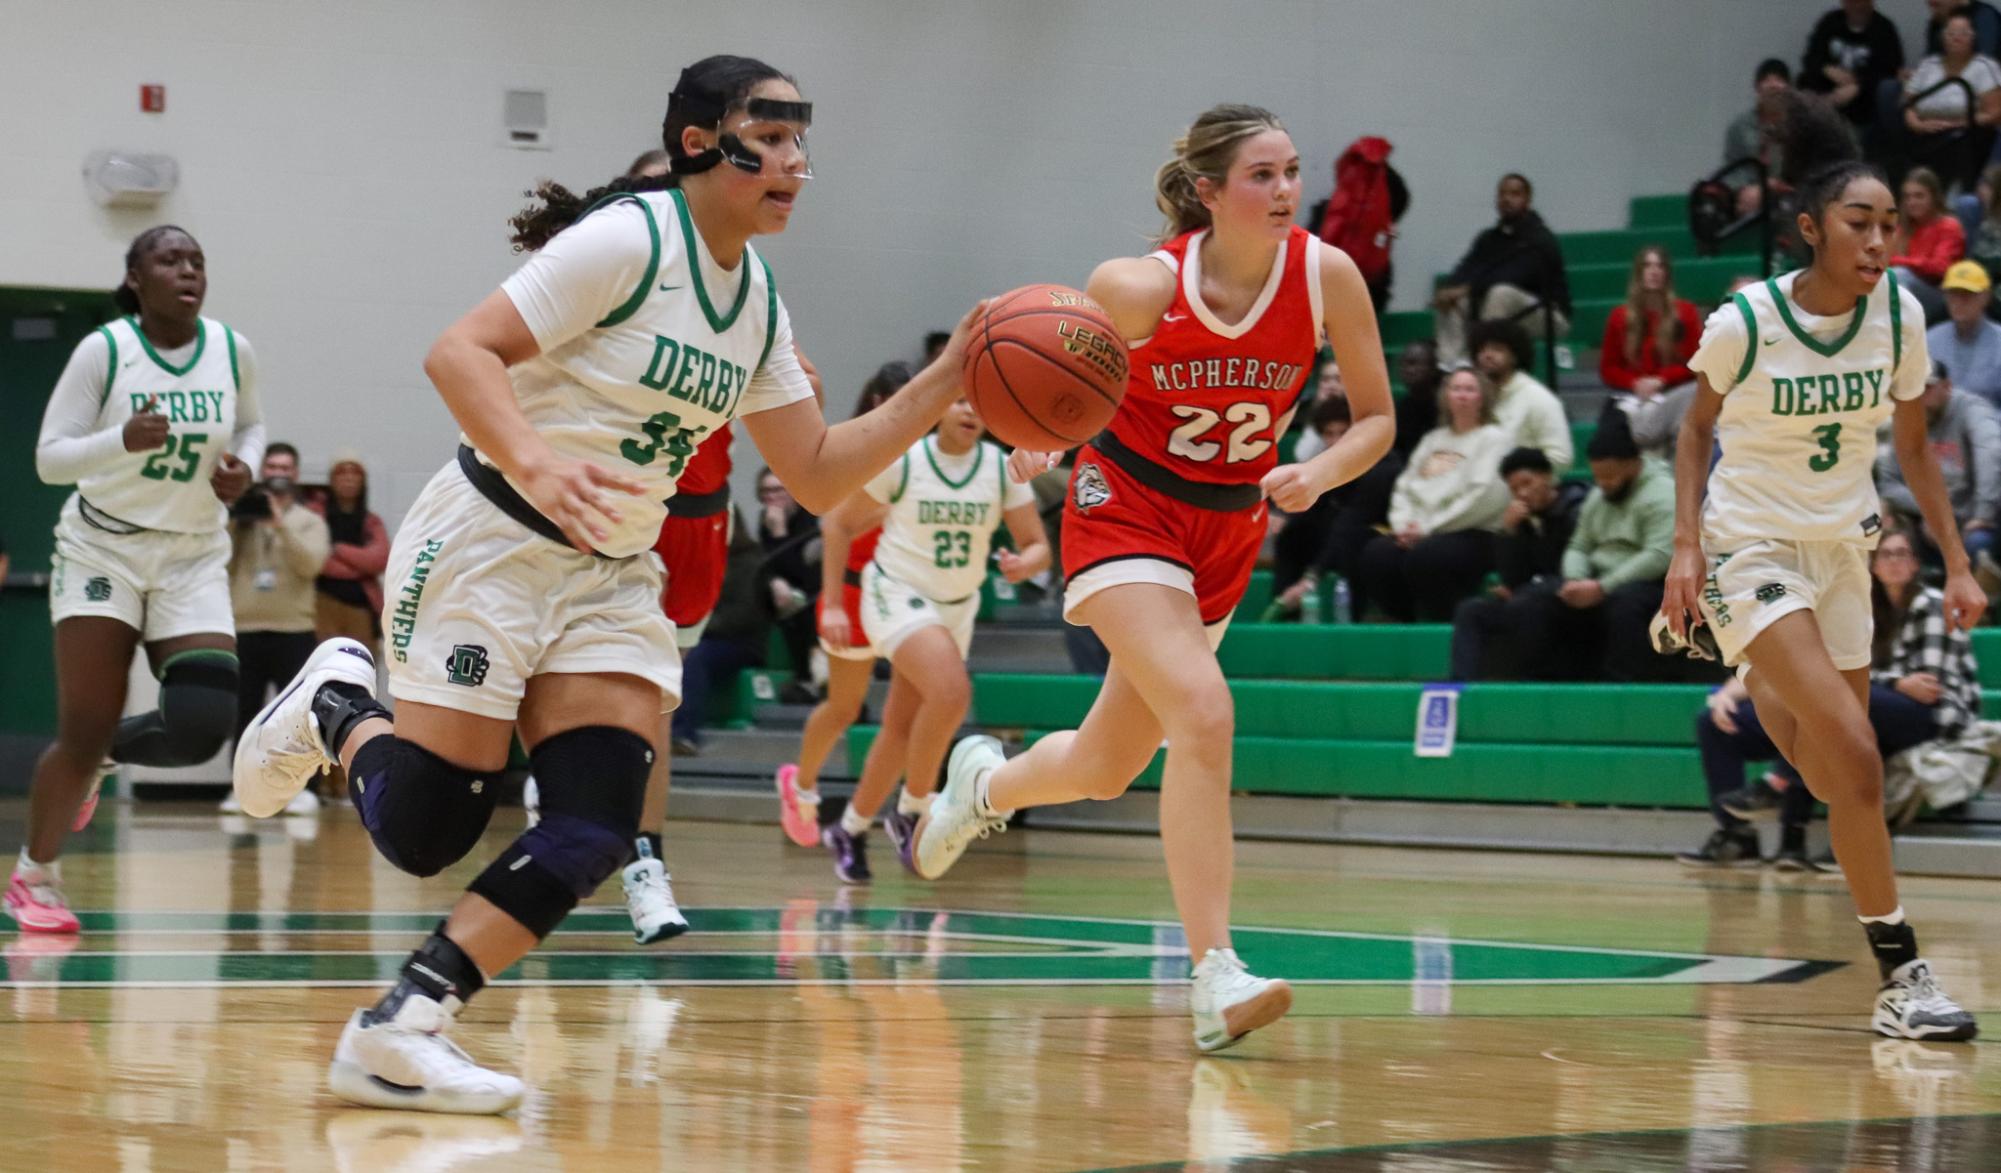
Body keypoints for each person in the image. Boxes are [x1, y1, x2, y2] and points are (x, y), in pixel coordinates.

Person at [229, 55, 989, 1112]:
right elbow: (458, 353)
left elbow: (813, 469)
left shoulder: (756, 297)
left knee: (594, 825)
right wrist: (538, 460)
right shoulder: (630, 241)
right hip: (492, 536)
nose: (793, 162)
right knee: (430, 832)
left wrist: (950, 373)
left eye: (800, 141)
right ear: (696, 144)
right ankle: (338, 703)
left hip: (610, 569)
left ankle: (402, 1028)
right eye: (767, 138)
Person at [913, 104, 1396, 1053]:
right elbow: (1063, 387)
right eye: (1262, 174)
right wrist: (1042, 437)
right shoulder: (1134, 286)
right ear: (1208, 192)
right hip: (1124, 505)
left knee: (1105, 766)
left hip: (1227, 530)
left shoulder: (1325, 274)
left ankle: (983, 787)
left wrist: (1320, 468)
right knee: (1205, 714)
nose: (1287, 190)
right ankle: (1214, 973)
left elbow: (1377, 418)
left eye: (1293, 171)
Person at [1657, 122, 1982, 1038]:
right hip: (1748, 548)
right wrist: (1685, 548)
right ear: (1810, 228)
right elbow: (1691, 431)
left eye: (1888, 225)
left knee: (1848, 782)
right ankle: (1903, 975)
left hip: (1844, 548)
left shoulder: (1903, 315)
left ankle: (1760, 688)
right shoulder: (1745, 321)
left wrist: (1955, 559)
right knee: (1856, 748)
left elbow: (1912, 448)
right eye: (1858, 222)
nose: (1878, 241)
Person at [11, 226, 262, 933]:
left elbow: (250, 424)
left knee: (201, 726)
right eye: (170, 259)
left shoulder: (230, 349)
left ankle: (102, 759)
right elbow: (50, 459)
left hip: (191, 553)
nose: (187, 270)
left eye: (197, 261)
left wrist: (242, 464)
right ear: (136, 277)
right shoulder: (107, 350)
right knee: (81, 725)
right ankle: (35, 875)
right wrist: (119, 439)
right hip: (103, 551)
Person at [817, 398, 1047, 883]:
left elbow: (1039, 545)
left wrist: (1027, 563)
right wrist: (834, 601)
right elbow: (837, 521)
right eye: (960, 399)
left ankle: (851, 826)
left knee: (902, 727)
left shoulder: (1000, 469)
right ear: (939, 405)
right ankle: (915, 808)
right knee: (952, 693)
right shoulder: (907, 459)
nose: (971, 410)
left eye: (980, 402)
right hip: (896, 592)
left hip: (955, 607)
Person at [1679, 527, 1980, 871]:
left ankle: (1780, 797)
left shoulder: (1932, 606)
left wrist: (1876, 683)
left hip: (1933, 717)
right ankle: (1739, 836)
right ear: (1872, 565)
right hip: (1865, 707)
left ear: (1916, 565)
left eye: (1904, 554)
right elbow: (1802, 664)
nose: (1895, 563)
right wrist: (1728, 692)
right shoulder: (1853, 604)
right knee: (1719, 722)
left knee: (1832, 710)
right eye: (1886, 555)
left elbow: (1928, 687)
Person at [777, 361, 910, 848]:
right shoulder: (858, 446)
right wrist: (831, 603)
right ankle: (802, 784)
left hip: (909, 593)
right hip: (854, 588)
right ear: (878, 403)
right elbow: (836, 525)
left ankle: (867, 821)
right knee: (845, 707)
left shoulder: (933, 456)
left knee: (909, 712)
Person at [1484, 411, 1676, 681]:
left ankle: (1622, 687)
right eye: (1597, 477)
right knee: (1532, 600)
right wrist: (1575, 579)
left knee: (1624, 604)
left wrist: (1603, 587)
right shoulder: (1598, 496)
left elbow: (1659, 555)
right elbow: (1578, 545)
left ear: (1633, 464)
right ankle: (1541, 684)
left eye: (1610, 477)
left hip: (1651, 583)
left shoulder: (1663, 493)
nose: (1603, 484)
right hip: (1598, 579)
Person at [1355, 366, 1511, 622]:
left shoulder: (1495, 440)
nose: (1462, 395)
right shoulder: (1434, 440)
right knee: (1377, 555)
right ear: (1445, 396)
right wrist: (1404, 526)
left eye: (1470, 389)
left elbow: (1484, 497)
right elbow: (1405, 487)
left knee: (1427, 558)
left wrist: (1428, 528)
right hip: (1419, 531)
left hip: (1474, 532)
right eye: (1456, 388)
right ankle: (1404, 627)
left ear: (1483, 397)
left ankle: (1448, 627)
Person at [227, 443, 331, 813]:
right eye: (271, 465)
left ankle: (304, 789)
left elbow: (311, 565)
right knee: (244, 712)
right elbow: (219, 561)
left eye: (285, 467)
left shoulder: (309, 521)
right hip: (246, 628)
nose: (278, 472)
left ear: (296, 474)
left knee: (299, 714)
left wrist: (279, 524)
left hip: (294, 629)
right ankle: (240, 788)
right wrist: (236, 519)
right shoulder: (242, 519)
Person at [1448, 446, 1590, 681]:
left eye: (1527, 483)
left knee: (1527, 605)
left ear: (1547, 477)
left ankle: (1532, 683)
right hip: (1532, 597)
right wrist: (1509, 532)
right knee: (1471, 610)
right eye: (1514, 489)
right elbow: (1513, 579)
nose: (1522, 494)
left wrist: (1525, 589)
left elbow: (1574, 572)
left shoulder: (1578, 510)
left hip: (1573, 599)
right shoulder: (1523, 518)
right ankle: (1461, 685)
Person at [1268, 395, 1402, 622]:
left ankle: (1358, 620)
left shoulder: (1383, 467)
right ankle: (1285, 615)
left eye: (1342, 433)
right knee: (1293, 534)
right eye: (1329, 434)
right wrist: (1280, 512)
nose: (1336, 441)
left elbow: (1350, 523)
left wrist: (1311, 577)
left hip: (1377, 533)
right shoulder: (1328, 464)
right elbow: (1313, 510)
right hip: (1340, 531)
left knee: (1353, 540)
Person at [1432, 174, 1571, 365]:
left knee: (1500, 293)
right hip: (1506, 313)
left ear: (1528, 200)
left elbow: (1516, 277)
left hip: (1548, 315)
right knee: (1454, 302)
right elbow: (1466, 267)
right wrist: (1448, 290)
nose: (1507, 199)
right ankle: (1451, 367)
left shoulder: (1540, 239)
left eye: (1515, 194)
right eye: (1502, 194)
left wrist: (1468, 289)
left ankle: (1484, 362)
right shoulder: (1489, 238)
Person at [1874, 358, 2001, 565]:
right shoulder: (1905, 414)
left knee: (1978, 543)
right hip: (1924, 519)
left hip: (1974, 516)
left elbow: (1992, 453)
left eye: (1927, 388)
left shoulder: (1972, 409)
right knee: (1887, 539)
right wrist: (1932, 510)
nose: (1919, 397)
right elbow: (1889, 484)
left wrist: (1981, 515)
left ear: (1947, 387)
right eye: (1913, 389)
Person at [1601, 247, 1702, 461]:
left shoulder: (1686, 312)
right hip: (1634, 396)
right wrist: (1635, 383)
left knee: (1692, 396)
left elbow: (1697, 362)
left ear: (1667, 273)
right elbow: (1608, 368)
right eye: (1647, 266)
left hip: (1672, 393)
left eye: (1659, 266)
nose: (1654, 271)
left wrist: (1661, 380)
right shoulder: (1619, 317)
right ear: (1638, 273)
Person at [1902, 9, 2001, 192]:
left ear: (1973, 37)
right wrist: (1916, 124)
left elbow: (1995, 113)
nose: (1957, 38)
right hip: (1924, 134)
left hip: (1967, 135)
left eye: (1963, 33)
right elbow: (1908, 104)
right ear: (1943, 37)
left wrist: (1959, 123)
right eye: (1951, 33)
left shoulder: (1984, 67)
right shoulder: (1928, 65)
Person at [755, 466, 822, 699]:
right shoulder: (767, 521)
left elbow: (802, 571)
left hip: (812, 590)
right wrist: (774, 581)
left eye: (777, 490)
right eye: (765, 492)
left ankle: (809, 677)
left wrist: (780, 533)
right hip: (782, 594)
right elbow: (764, 563)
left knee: (805, 610)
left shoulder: (810, 520)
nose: (771, 498)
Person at [1472, 318, 1572, 467]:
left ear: (1514, 356)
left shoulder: (1538, 398)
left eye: (1497, 349)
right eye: (1482, 350)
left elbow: (1561, 458)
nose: (1487, 355)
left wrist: (1515, 472)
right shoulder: (1474, 398)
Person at [1798, 0, 1906, 130]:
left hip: (1864, 100)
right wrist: (1827, 69)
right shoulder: (1830, 22)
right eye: (1852, 2)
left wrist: (1859, 86)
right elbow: (1810, 57)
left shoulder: (1884, 28)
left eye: (1862, 2)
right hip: (1829, 92)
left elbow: (1891, 70)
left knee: (1885, 88)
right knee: (1803, 80)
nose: (1857, 6)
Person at [1890, 167, 1966, 326]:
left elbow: (1940, 268)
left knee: (1899, 274)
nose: (1912, 202)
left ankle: (1902, 331)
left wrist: (1901, 261)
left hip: (1940, 294)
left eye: (1919, 196)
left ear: (1934, 197)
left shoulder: (1949, 226)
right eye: (1908, 197)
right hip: (1908, 287)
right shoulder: (1902, 228)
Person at [1724, 60, 1794, 218]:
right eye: (1767, 80)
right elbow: (1732, 167)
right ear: (1757, 88)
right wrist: (1744, 190)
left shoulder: (1801, 124)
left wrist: (1771, 186)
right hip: (1750, 193)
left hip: (1790, 194)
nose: (1773, 85)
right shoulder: (1739, 127)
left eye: (1779, 80)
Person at [1927, 260, 2001, 404]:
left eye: (1967, 294)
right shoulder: (1930, 339)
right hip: (1938, 422)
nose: (1959, 301)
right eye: (1953, 294)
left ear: (1986, 297)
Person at [1392, 339, 1441, 460]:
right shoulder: (1403, 407)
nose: (1408, 370)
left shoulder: (1446, 405)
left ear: (1433, 369)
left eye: (1414, 364)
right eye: (1404, 364)